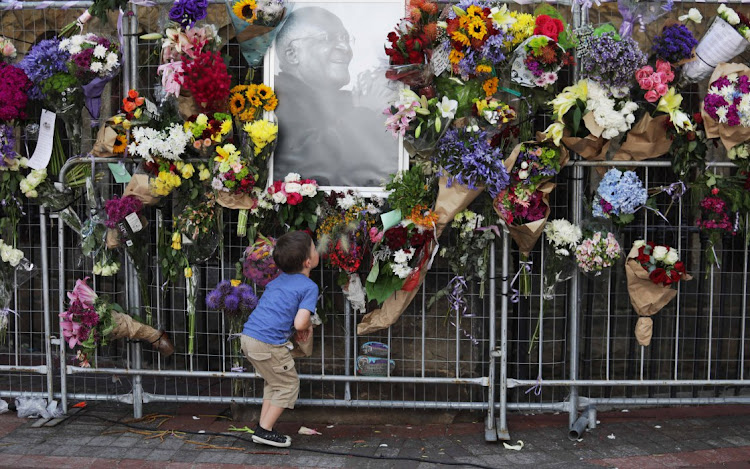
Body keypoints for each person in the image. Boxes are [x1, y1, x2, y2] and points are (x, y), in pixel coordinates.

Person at [273, 6, 398, 187]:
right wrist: (365, 111)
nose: (345, 47)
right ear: (293, 54)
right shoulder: (277, 97)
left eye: (346, 39)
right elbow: (303, 166)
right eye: (327, 39)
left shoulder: (341, 99)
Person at [240, 230, 320, 447]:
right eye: (314, 248)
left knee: (274, 383)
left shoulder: (277, 281)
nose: (317, 249)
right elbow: (300, 322)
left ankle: (264, 427)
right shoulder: (309, 287)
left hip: (249, 337)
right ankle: (265, 430)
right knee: (288, 384)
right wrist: (308, 325)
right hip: (267, 343)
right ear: (307, 261)